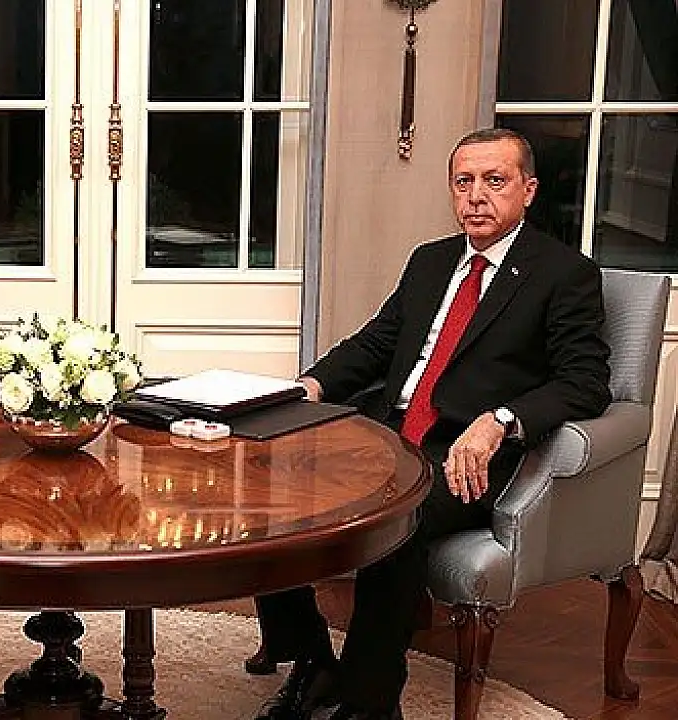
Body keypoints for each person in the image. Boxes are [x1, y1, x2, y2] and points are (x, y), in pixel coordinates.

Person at [249, 128, 612, 720]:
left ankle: (369, 704)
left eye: (494, 181)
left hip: (462, 455)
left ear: (528, 190)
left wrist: (501, 421)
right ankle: (312, 660)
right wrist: (305, 388)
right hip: (382, 433)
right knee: (267, 488)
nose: (476, 196)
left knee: (394, 522)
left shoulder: (562, 273)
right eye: (463, 182)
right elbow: (376, 344)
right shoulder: (431, 261)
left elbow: (585, 382)